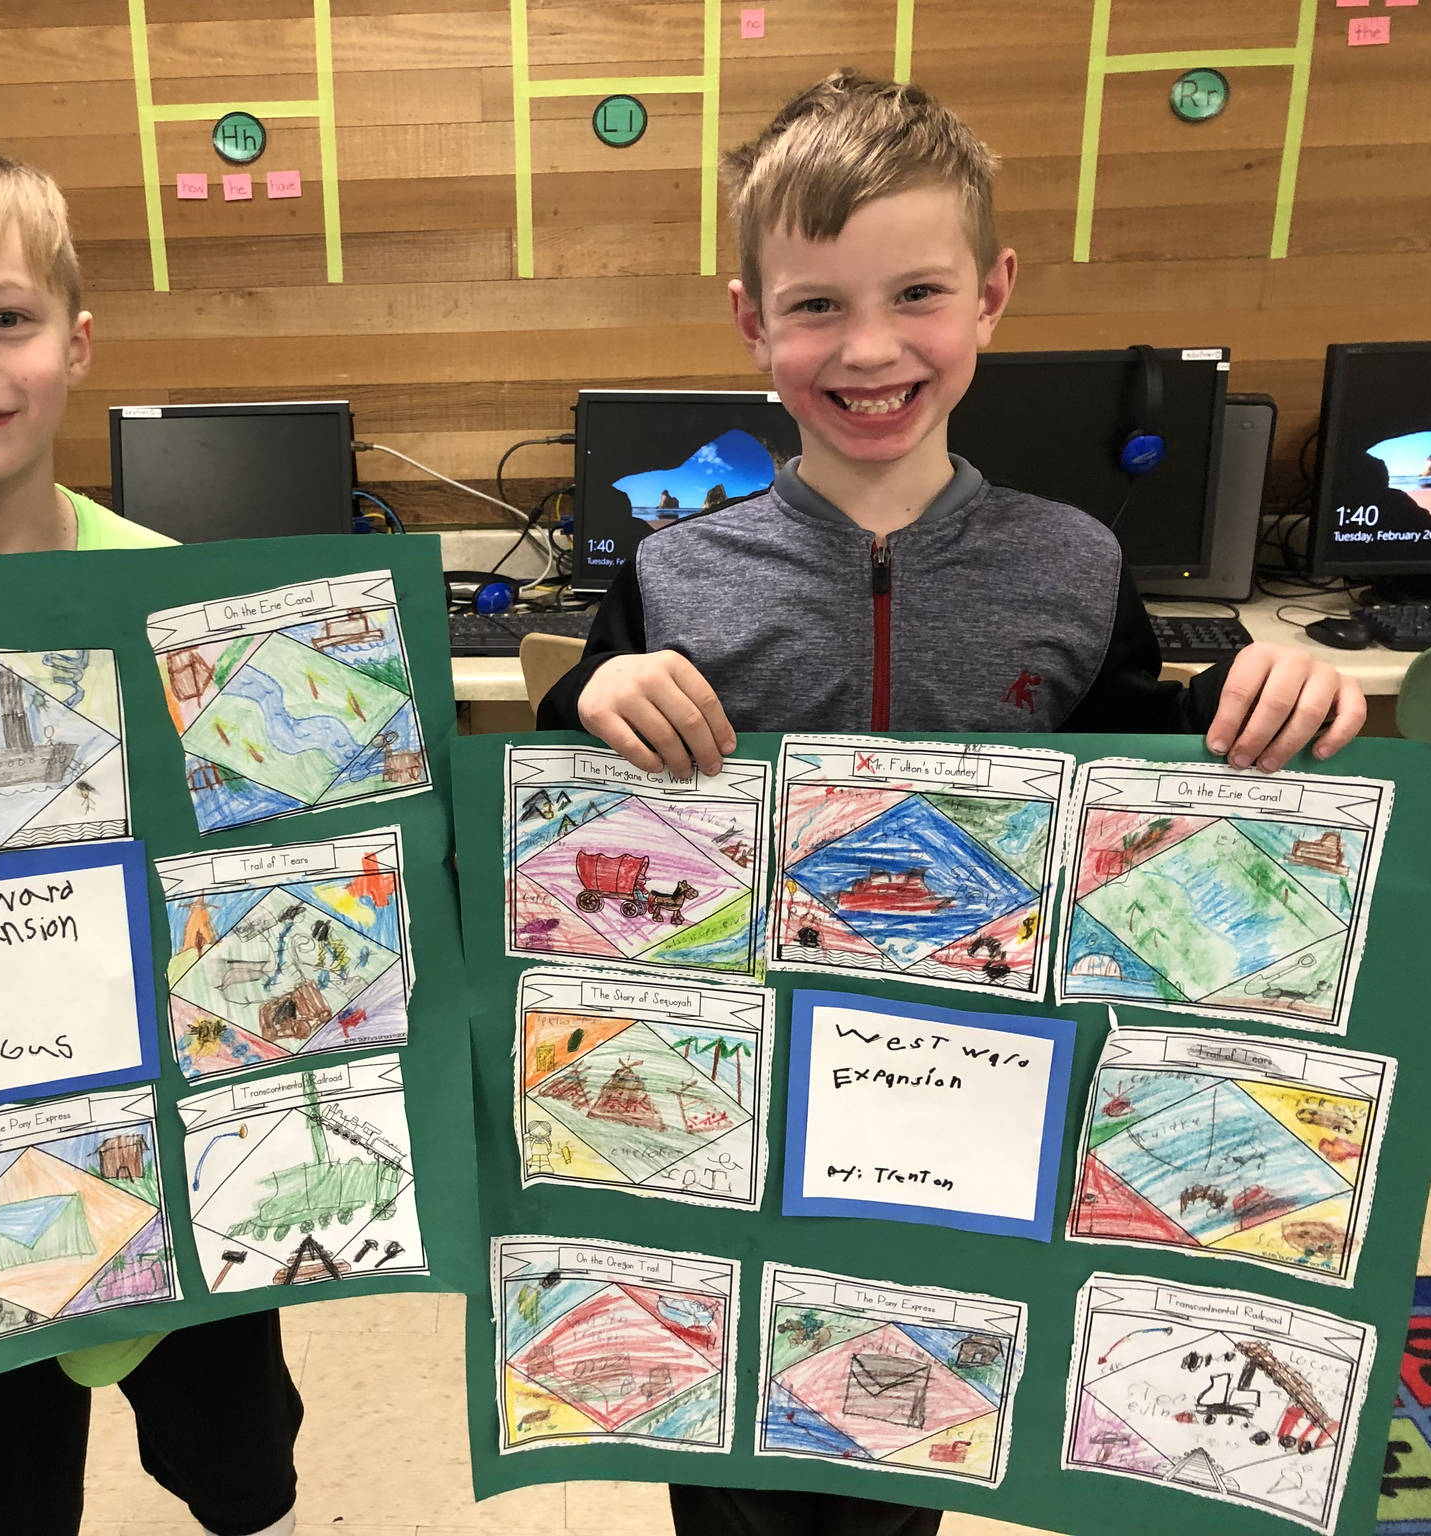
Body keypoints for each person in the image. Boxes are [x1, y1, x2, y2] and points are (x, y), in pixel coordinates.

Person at [537, 70, 1363, 1536]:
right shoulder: (678, 574)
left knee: (902, 1452)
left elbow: (1143, 810)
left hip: (969, 1130)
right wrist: (586, 705)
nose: (867, 350)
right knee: (730, 1471)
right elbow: (558, 836)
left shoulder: (1073, 563)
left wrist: (1267, 697)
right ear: (749, 319)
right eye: (814, 308)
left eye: (915, 294)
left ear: (992, 294)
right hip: (731, 1132)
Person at [0, 134, 305, 1536]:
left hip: (185, 1152)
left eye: (5, 318)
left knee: (241, 1473)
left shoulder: (192, 612)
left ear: (76, 343)